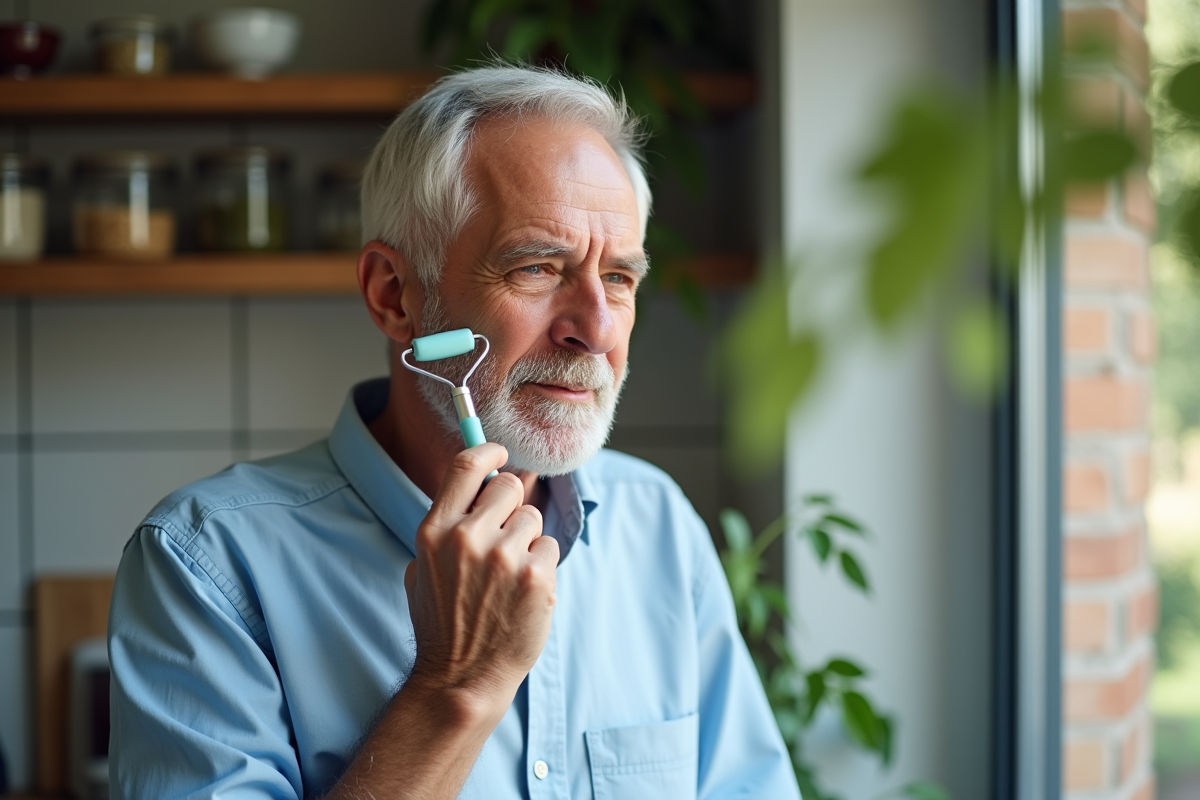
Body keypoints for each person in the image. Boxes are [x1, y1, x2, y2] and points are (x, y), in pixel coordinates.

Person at [108, 64, 800, 800]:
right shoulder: (206, 565)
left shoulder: (657, 524)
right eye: (538, 268)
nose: (596, 330)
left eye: (621, 279)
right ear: (395, 296)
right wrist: (457, 687)